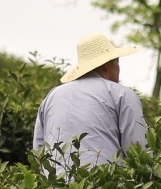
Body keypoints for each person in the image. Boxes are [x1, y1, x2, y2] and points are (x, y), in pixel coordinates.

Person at [33, 31, 149, 176]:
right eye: (117, 62)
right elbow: (136, 154)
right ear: (107, 65)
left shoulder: (52, 96)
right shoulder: (122, 95)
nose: (118, 69)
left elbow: (39, 151)